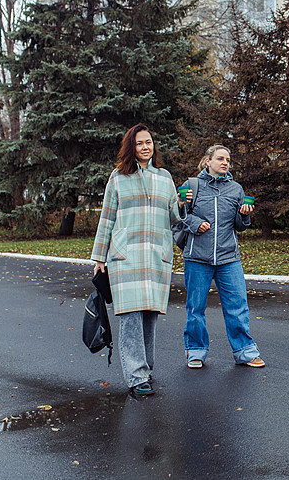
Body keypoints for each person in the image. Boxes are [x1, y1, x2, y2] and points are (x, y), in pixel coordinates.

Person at [91, 124, 188, 397]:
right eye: (140, 143)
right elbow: (107, 217)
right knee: (131, 317)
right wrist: (99, 256)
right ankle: (136, 377)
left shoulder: (164, 177)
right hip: (126, 257)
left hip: (156, 256)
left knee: (149, 316)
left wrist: (181, 205)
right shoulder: (118, 178)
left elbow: (174, 219)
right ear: (131, 148)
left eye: (149, 142)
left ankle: (146, 368)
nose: (146, 147)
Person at [176, 144, 264, 369]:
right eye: (220, 159)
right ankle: (195, 351)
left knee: (238, 305)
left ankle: (245, 351)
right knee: (195, 308)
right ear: (208, 161)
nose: (225, 162)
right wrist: (195, 223)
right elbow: (178, 216)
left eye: (228, 159)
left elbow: (239, 226)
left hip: (228, 258)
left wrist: (244, 216)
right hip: (197, 257)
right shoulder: (192, 186)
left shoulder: (236, 189)